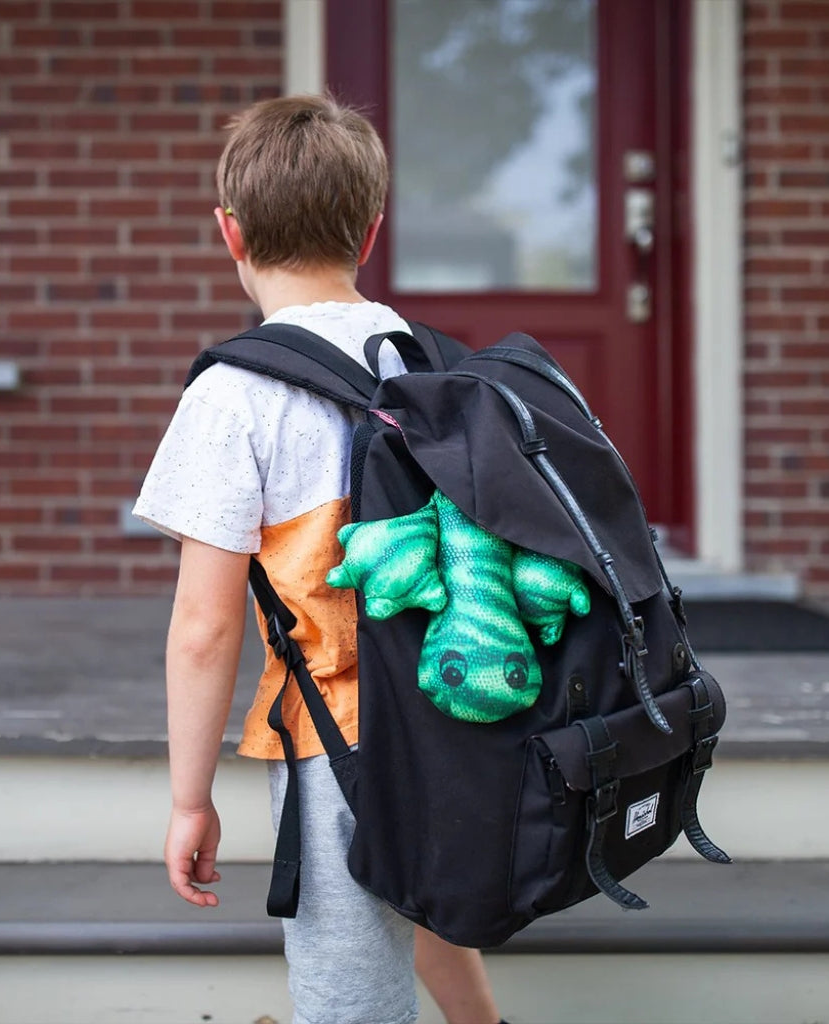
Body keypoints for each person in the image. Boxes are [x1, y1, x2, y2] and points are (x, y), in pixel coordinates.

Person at [133, 94, 505, 1024]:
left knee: (351, 1000)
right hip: (458, 707)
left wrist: (189, 799)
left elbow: (205, 624)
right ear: (371, 231)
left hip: (340, 736)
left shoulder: (234, 394)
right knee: (421, 893)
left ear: (230, 231)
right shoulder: (427, 362)